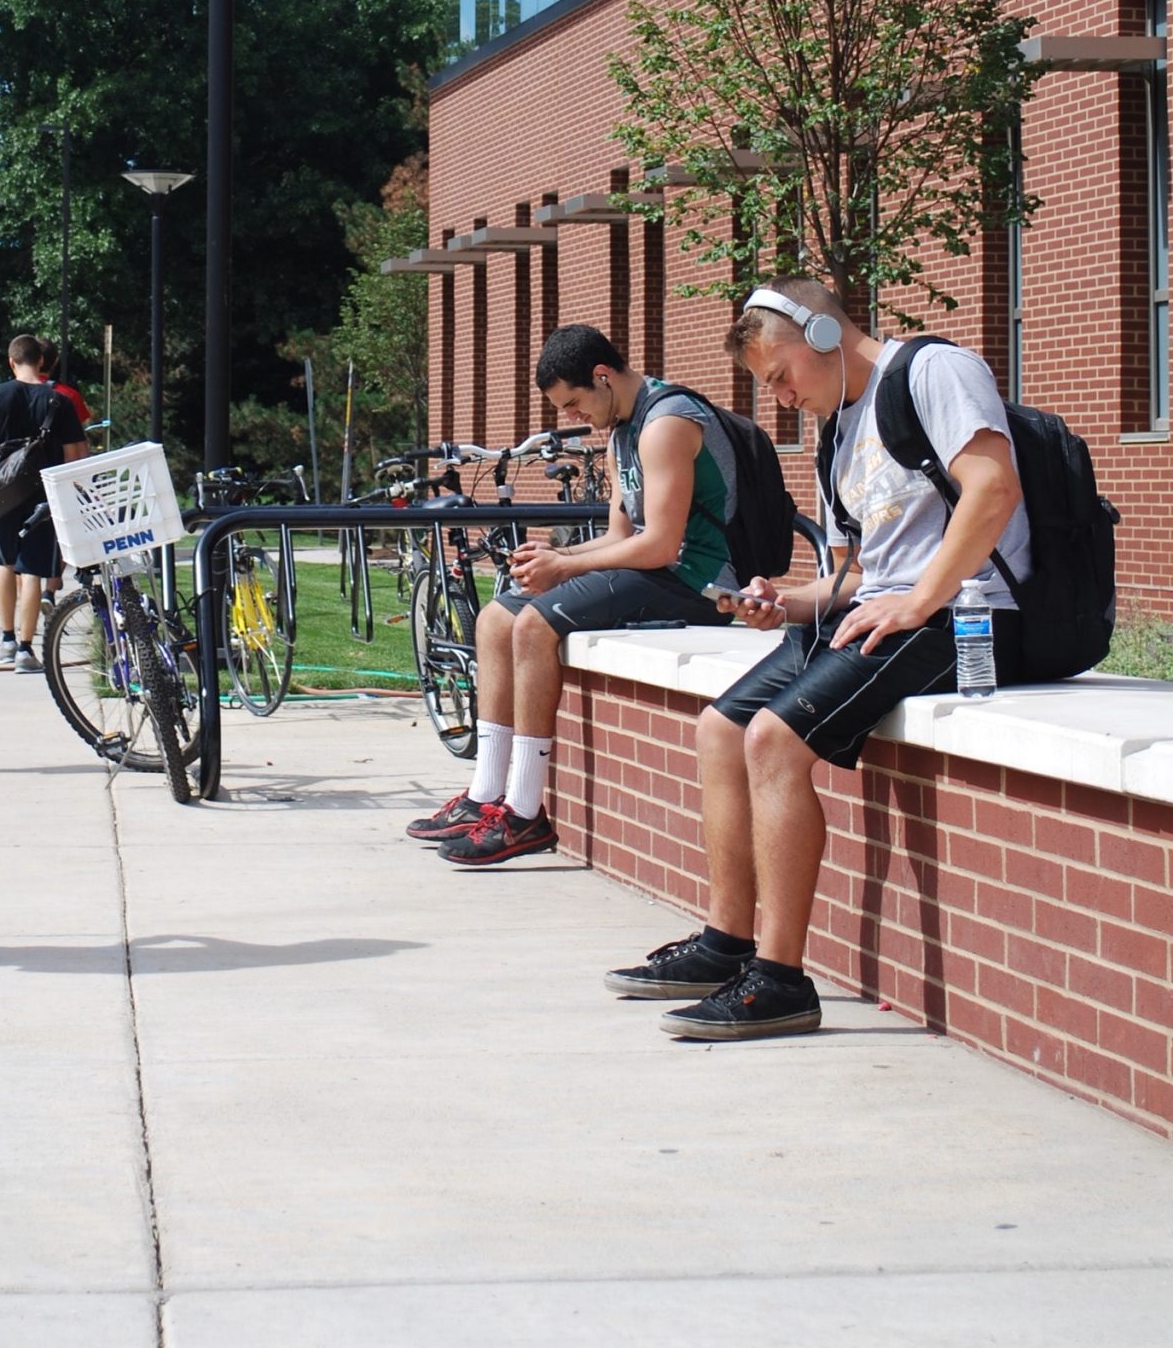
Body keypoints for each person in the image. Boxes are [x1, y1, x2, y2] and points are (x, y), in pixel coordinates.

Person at [606, 277, 1028, 1041]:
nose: (781, 398)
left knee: (772, 738)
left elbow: (992, 487)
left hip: (959, 617)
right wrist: (780, 598)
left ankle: (779, 981)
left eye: (779, 376)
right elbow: (855, 576)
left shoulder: (931, 373)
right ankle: (725, 944)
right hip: (883, 611)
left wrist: (921, 598)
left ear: (825, 336)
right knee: (718, 729)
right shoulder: (838, 431)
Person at [408, 322, 735, 868]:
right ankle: (486, 794)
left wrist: (565, 569)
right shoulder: (622, 431)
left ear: (602, 377)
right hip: (656, 571)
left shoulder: (667, 424)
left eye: (574, 402)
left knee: (535, 625)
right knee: (494, 620)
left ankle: (525, 814)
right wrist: (554, 560)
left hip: (700, 583)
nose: (571, 418)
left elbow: (659, 545)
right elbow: (616, 537)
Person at [0, 333, 87, 672]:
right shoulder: (59, 402)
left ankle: (5, 640)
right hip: (43, 496)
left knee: (6, 563)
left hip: (2, 493)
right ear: (41, 362)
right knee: (32, 570)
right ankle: (24, 648)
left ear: (11, 361)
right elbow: (74, 454)